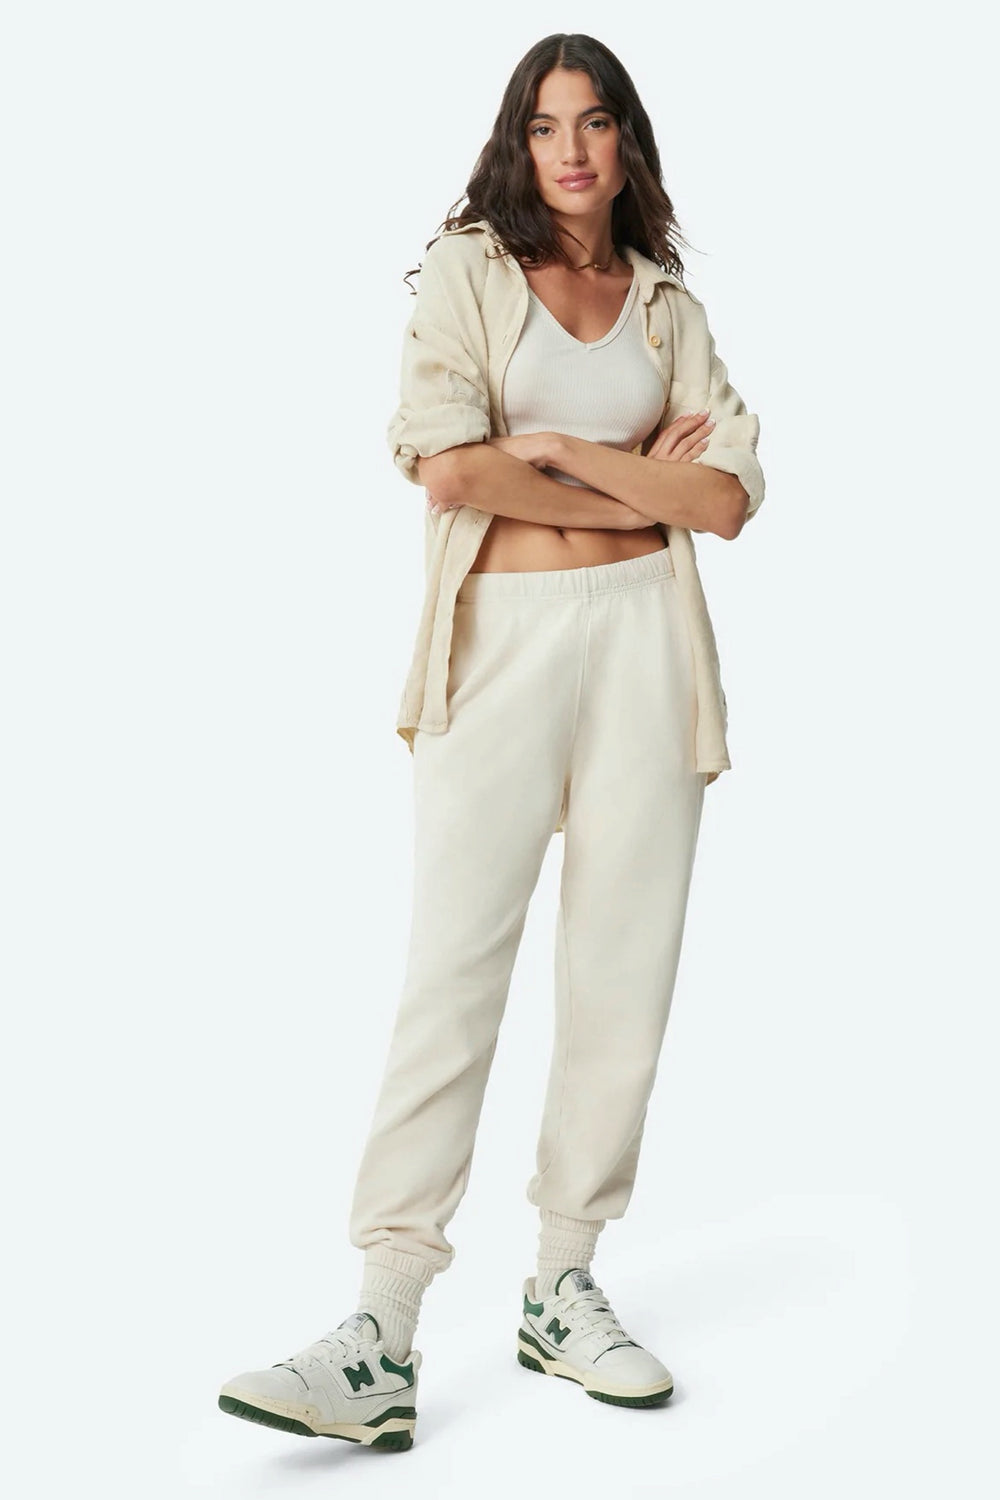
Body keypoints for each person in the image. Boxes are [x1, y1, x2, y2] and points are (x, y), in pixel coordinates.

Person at [218, 32, 764, 1451]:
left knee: (622, 970)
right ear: (517, 143)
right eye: (543, 125)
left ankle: (563, 1284)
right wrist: (633, 472)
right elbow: (449, 464)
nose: (570, 150)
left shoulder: (665, 302)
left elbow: (724, 502)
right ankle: (381, 1329)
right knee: (453, 969)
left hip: (649, 646)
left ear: (628, 142)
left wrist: (564, 454)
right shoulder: (470, 272)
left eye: (595, 122)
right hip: (500, 643)